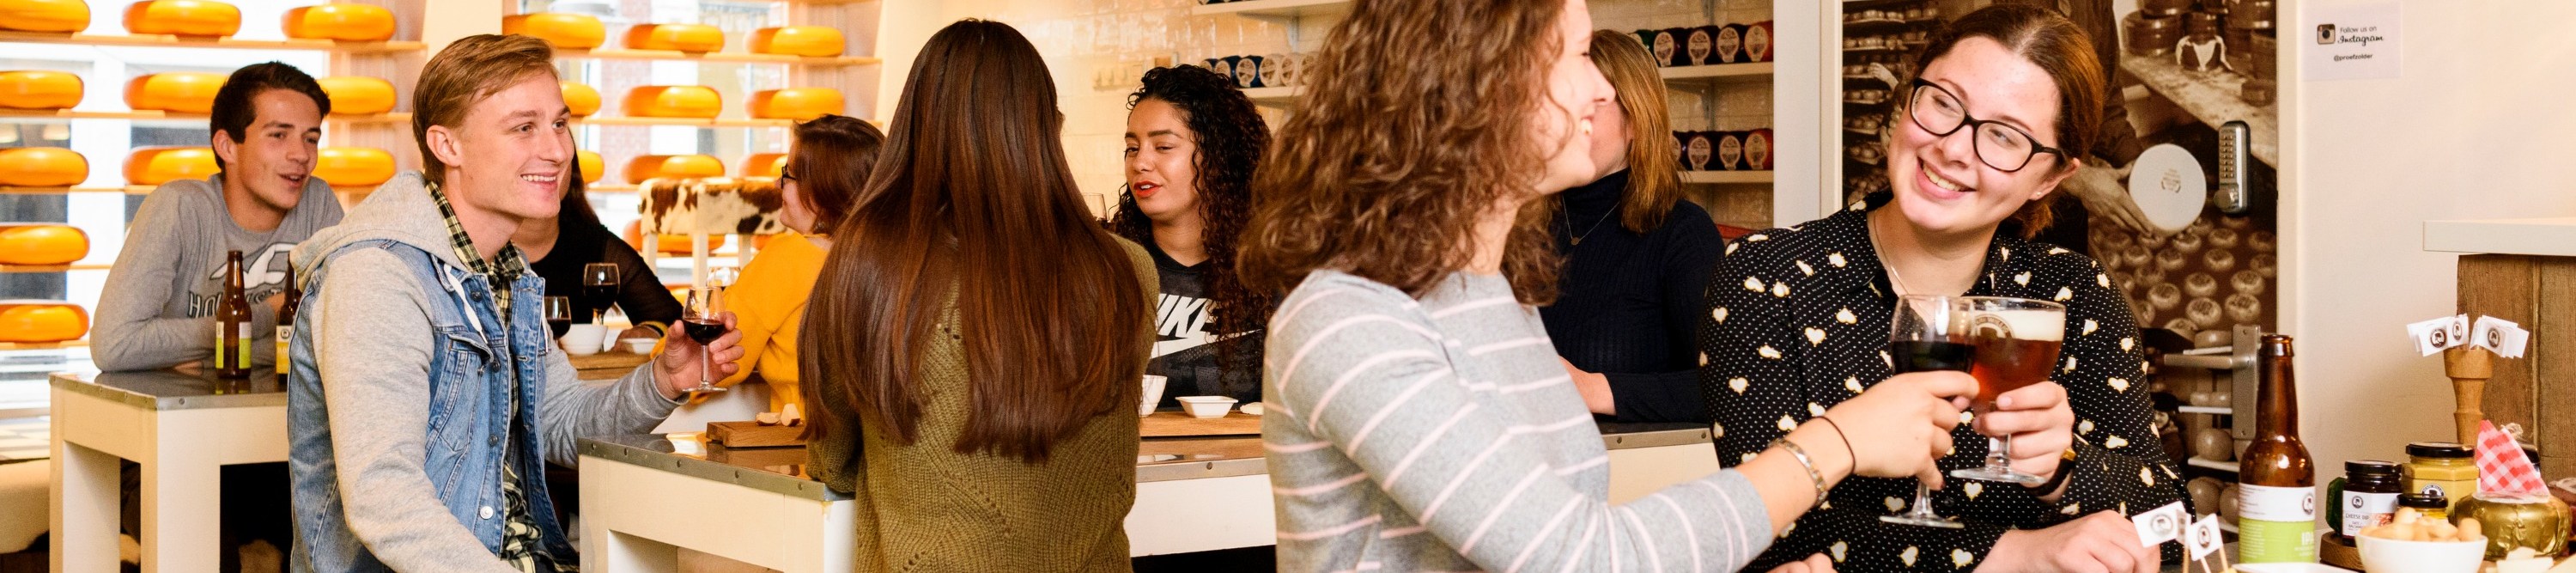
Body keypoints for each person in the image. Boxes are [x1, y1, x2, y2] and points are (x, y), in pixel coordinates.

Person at [1238, 0, 1976, 570]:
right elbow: (1585, 557)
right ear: (1475, 86)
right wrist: (1837, 441)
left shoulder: (1492, 295)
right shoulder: (1349, 319)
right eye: (1580, 55)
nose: (1600, 89)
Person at [1698, 6, 2184, 572]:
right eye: (1943, 103)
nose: (1953, 147)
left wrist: (2063, 468)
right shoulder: (1767, 276)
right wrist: (2018, 555)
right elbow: (1765, 526)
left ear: (2049, 178)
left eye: (2005, 137)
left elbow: (2173, 524)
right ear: (1908, 99)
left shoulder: (2072, 292)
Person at [284, 34, 743, 571]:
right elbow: (385, 499)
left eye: (559, 124)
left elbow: (560, 424)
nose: (558, 150)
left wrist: (662, 382)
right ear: (447, 146)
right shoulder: (380, 275)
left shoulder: (507, 273)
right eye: (524, 127)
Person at [796, 20, 1154, 571]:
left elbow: (833, 459)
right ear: (1044, 127)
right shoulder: (1128, 269)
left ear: (913, 127)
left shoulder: (864, 265)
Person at [91, 61, 343, 371]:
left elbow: (339, 341)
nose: (301, 155)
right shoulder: (179, 209)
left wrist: (212, 355)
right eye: (279, 135)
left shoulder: (317, 203)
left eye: (311, 138)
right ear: (227, 147)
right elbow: (115, 345)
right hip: (182, 416)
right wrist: (266, 315)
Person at [1548, 30, 1728, 424]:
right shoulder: (1518, 227)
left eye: (1592, 106)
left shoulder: (1682, 233)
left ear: (1637, 121)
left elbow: (1729, 385)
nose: (1569, 124)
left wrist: (1596, 389)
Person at [1110, 64, 1273, 411]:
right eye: (1132, 148)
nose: (1141, 162)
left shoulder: (1272, 271)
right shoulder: (1108, 267)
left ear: (1217, 157)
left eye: (1163, 146)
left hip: (1249, 465)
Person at [706, 113, 881, 411]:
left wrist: (658, 347)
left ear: (821, 190)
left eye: (788, 174)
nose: (777, 183)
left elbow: (714, 358)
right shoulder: (894, 259)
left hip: (803, 450)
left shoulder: (788, 257)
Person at [513, 155, 681, 340]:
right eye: (525, 130)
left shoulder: (591, 243)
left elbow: (672, 319)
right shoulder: (480, 249)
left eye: (559, 126)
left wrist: (649, 331)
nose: (552, 153)